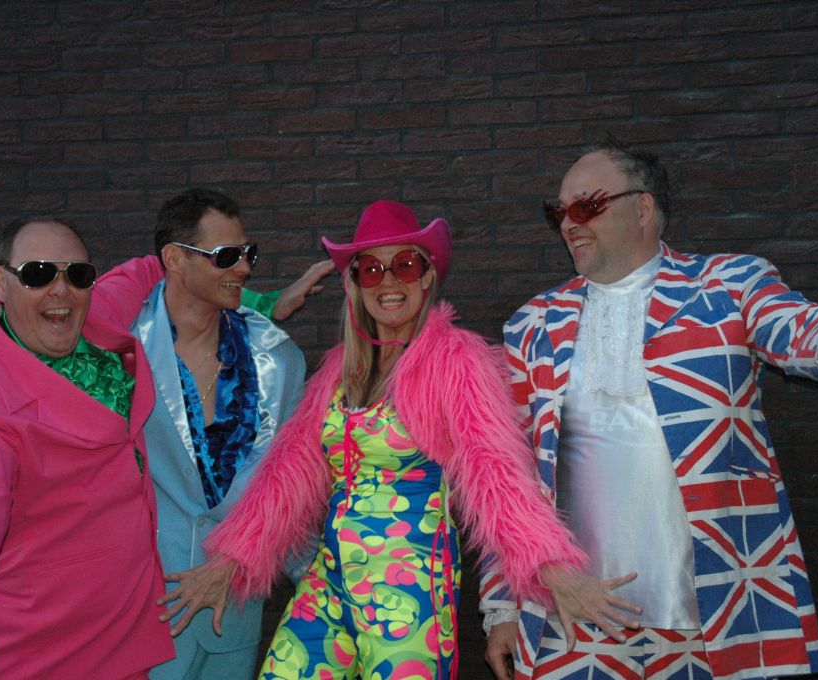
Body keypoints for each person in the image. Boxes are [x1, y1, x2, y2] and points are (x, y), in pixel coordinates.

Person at [483, 140, 818, 680]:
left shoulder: (729, 286)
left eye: (586, 206)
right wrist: (503, 607)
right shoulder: (531, 324)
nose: (569, 223)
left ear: (643, 208)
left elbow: (794, 327)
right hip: (574, 617)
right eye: (559, 212)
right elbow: (504, 477)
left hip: (717, 613)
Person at [158, 200, 604, 679]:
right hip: (330, 583)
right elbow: (287, 477)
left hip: (408, 594)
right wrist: (232, 561)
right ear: (354, 283)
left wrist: (549, 567)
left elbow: (495, 474)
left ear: (427, 276)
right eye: (370, 270)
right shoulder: (339, 371)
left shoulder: (455, 362)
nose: (388, 282)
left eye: (405, 265)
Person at [0, 219, 175, 679]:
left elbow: (145, 273)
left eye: (78, 274)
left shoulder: (92, 314)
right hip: (45, 650)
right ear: (1, 282)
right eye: (38, 273)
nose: (61, 290)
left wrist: (249, 295)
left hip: (127, 633)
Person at [102, 188, 328, 680]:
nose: (243, 268)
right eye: (226, 256)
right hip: (137, 615)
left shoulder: (279, 359)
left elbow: (286, 489)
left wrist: (317, 585)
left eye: (248, 254)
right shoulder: (119, 353)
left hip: (234, 613)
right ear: (174, 259)